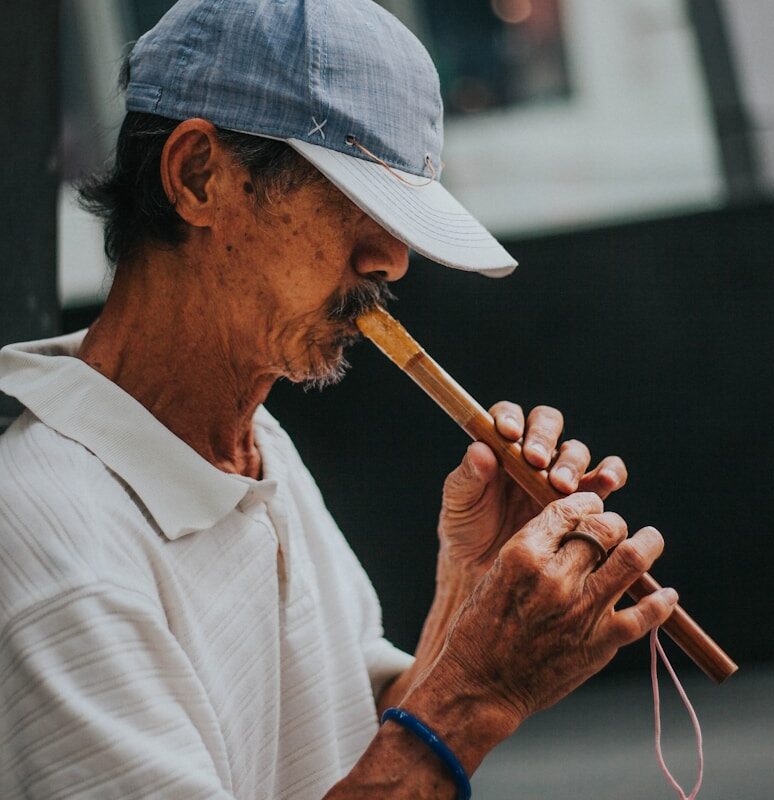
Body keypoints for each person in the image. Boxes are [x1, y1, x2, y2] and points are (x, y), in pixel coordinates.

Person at [0, 1, 678, 798]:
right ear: (198, 176)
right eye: (348, 199)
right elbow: (424, 735)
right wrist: (480, 695)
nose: (391, 258)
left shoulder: (255, 448)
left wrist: (475, 594)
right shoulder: (50, 553)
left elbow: (354, 743)